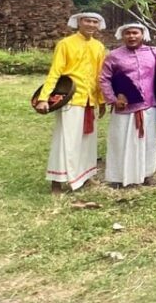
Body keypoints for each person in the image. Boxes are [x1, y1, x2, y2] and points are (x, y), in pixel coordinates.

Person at [100, 22, 156, 187]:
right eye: (127, 33)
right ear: (122, 36)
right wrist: (113, 99)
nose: (131, 36)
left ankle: (146, 174)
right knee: (120, 141)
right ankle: (118, 177)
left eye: (135, 33)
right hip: (124, 108)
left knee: (148, 142)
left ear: (142, 34)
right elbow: (104, 79)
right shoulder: (114, 56)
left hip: (148, 106)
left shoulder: (152, 53)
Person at [35, 11, 107, 193]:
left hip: (89, 100)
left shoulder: (99, 46)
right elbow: (55, 72)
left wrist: (102, 100)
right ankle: (57, 182)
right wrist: (44, 98)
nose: (91, 25)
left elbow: (100, 76)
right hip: (71, 98)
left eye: (94, 22)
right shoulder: (65, 44)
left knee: (87, 141)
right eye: (87, 21)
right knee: (65, 140)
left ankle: (85, 175)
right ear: (78, 22)